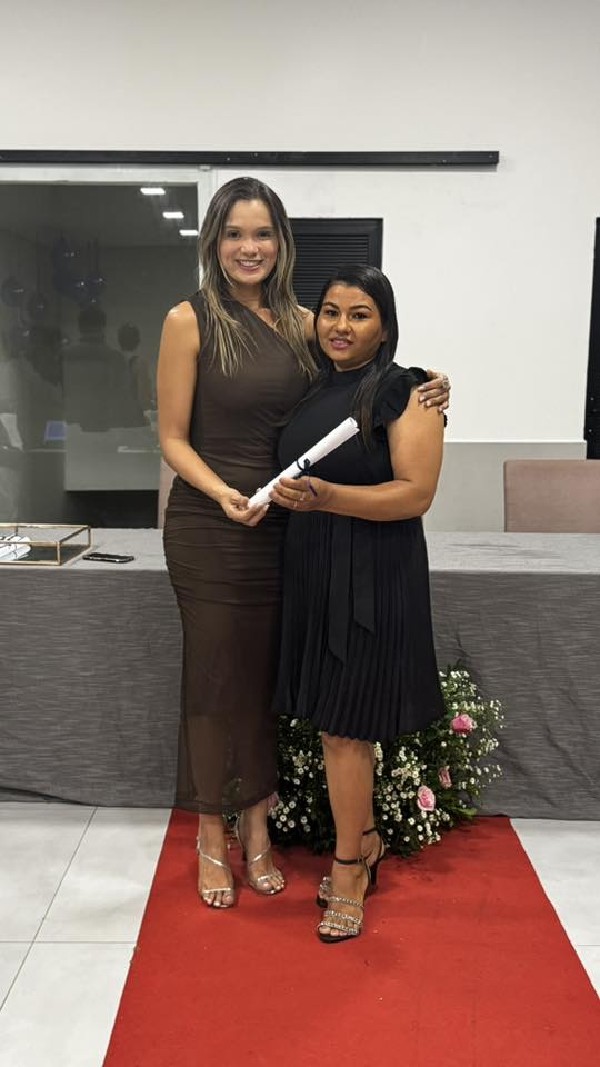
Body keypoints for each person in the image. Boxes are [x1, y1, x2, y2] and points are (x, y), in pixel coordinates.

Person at [157, 177, 450, 910]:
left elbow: (361, 384)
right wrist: (222, 492)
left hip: (287, 530)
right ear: (214, 241)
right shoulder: (188, 320)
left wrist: (428, 384)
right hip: (213, 525)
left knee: (262, 682)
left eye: (262, 233)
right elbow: (171, 437)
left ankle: (257, 828)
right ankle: (210, 835)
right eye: (234, 233)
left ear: (282, 242)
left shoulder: (303, 323)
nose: (248, 247)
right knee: (215, 679)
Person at [271, 264, 445, 943]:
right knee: (332, 723)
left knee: (346, 727)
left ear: (385, 325)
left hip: (372, 572)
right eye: (331, 311)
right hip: (314, 567)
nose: (341, 326)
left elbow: (415, 493)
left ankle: (349, 869)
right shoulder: (315, 388)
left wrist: (327, 497)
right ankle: (365, 838)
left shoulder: (408, 389)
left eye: (360, 314)